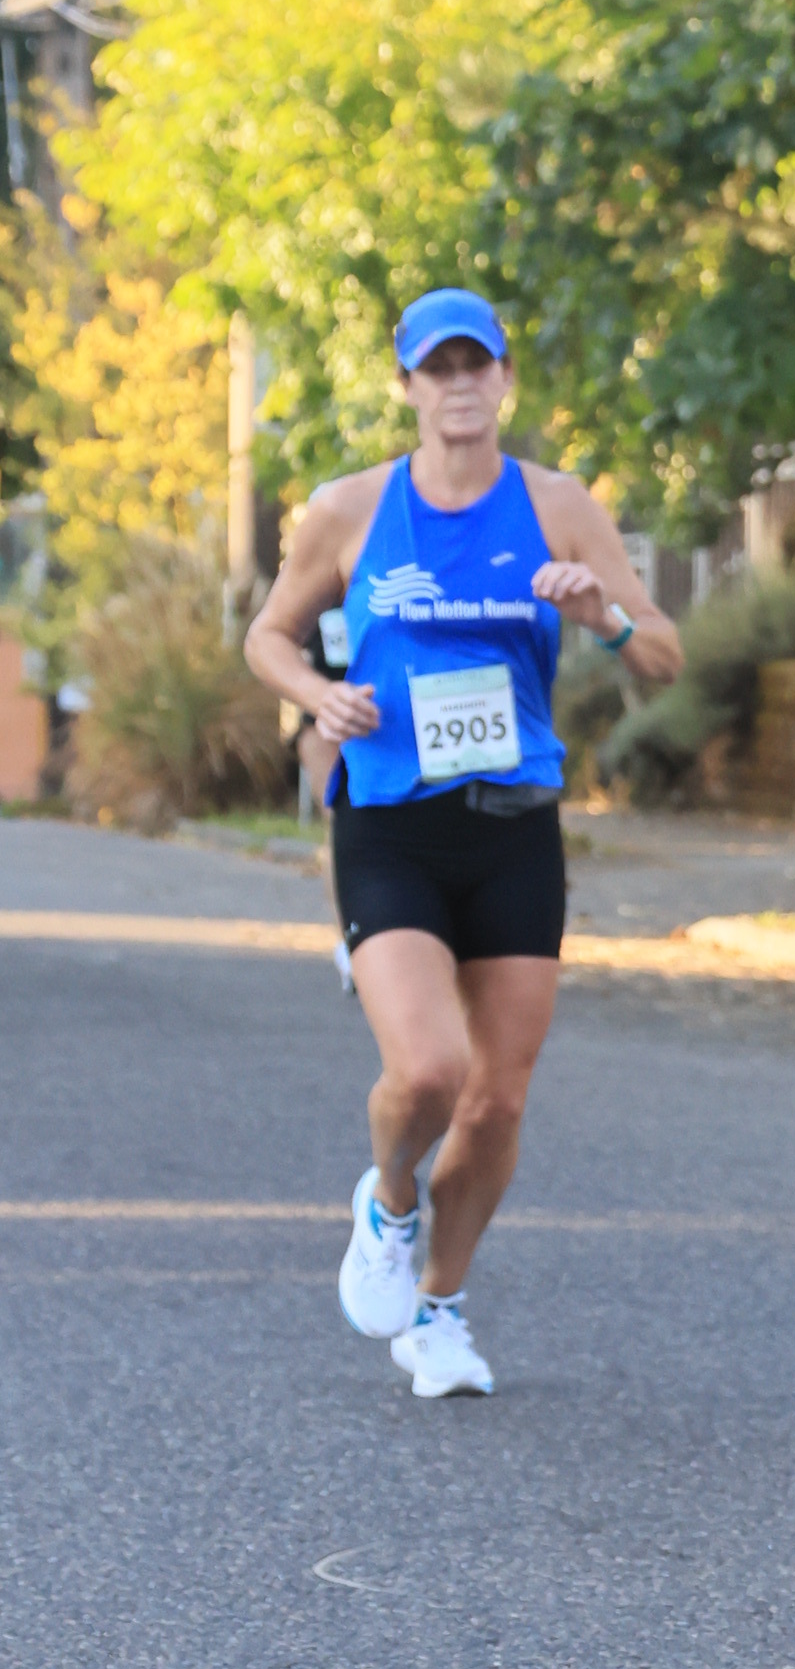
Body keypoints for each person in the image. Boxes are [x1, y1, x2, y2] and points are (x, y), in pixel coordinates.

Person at [245, 287, 681, 1395]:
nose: (458, 385)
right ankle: (390, 1201)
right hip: (391, 823)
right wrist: (317, 696)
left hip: (515, 827)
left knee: (496, 1102)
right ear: (407, 387)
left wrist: (603, 617)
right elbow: (269, 636)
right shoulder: (349, 509)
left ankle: (438, 1307)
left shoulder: (558, 506)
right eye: (436, 368)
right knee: (431, 1070)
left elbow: (662, 654)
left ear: (504, 379)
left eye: (474, 364)